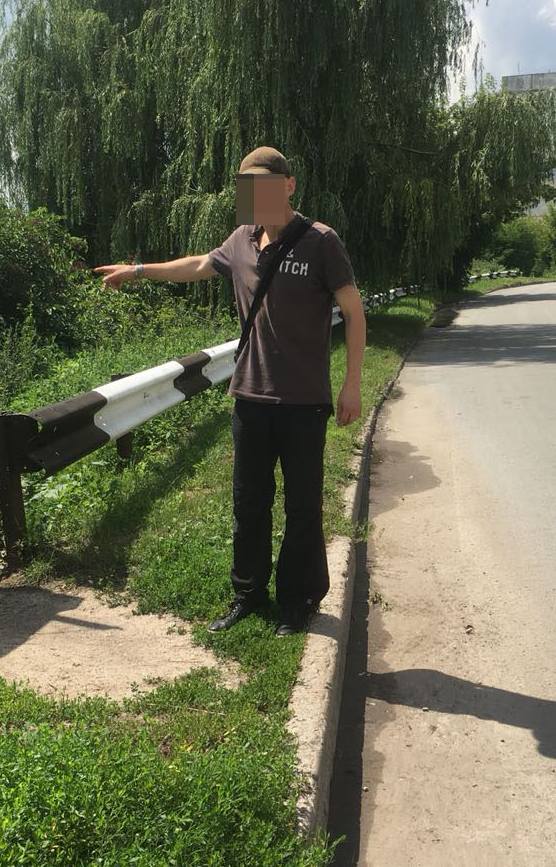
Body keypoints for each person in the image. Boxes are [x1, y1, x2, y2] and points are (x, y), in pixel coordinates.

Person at [94, 146, 366, 636]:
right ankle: (248, 593)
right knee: (249, 502)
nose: (257, 197)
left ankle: (298, 600)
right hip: (250, 399)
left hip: (304, 402)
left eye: (265, 185)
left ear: (288, 184)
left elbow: (354, 311)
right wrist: (137, 272)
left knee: (302, 505)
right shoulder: (241, 239)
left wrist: (351, 385)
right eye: (248, 189)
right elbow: (196, 265)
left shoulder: (321, 241)